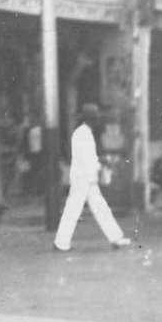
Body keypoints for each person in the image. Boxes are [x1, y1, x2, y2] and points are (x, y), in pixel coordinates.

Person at [53, 103, 132, 252]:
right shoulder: (83, 134)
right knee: (74, 210)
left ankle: (116, 237)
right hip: (83, 178)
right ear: (91, 119)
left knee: (100, 208)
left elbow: (89, 157)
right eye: (96, 118)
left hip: (86, 178)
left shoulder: (84, 132)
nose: (98, 121)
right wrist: (102, 162)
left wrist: (100, 162)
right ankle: (61, 242)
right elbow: (87, 158)